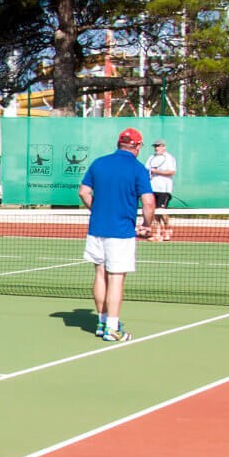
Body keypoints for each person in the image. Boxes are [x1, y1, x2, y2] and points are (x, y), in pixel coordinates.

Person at [78, 127, 156, 344]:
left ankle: (102, 323)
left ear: (119, 143)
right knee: (116, 278)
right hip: (120, 232)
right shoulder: (138, 169)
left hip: (97, 229)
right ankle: (112, 328)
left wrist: (97, 209)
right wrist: (147, 225)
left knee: (100, 274)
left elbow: (83, 192)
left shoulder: (99, 163)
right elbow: (149, 202)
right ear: (137, 146)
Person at [144, 140, 178, 240]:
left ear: (164, 147)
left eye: (158, 146)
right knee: (154, 212)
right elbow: (146, 169)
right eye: (155, 146)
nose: (156, 148)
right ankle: (157, 233)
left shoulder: (169, 158)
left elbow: (172, 172)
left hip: (164, 189)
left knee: (161, 211)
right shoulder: (151, 157)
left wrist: (156, 171)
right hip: (152, 188)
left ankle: (167, 229)